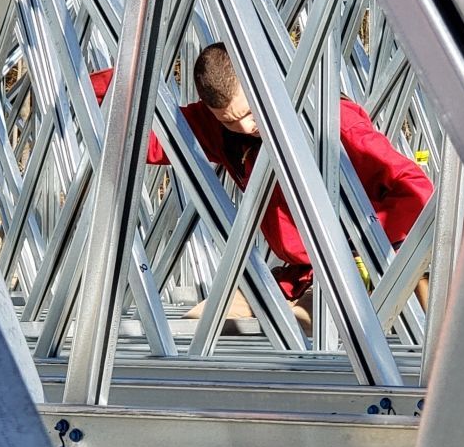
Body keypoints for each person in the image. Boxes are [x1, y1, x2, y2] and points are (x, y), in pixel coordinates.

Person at [90, 44, 433, 328]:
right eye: (230, 120)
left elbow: (417, 191)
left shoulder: (331, 122)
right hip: (298, 275)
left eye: (249, 112)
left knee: (311, 318)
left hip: (360, 264)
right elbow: (154, 143)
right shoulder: (221, 131)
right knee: (201, 321)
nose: (246, 126)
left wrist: (359, 241)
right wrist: (116, 80)